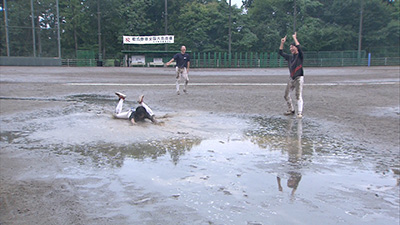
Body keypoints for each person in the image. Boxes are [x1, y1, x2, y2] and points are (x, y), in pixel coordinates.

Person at [279, 32, 304, 119]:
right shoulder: (290, 57)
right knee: (286, 95)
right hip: (291, 78)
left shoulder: (300, 56)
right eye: (290, 47)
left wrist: (294, 38)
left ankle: (299, 113)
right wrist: (282, 43)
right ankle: (291, 110)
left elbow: (300, 48)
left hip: (298, 78)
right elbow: (281, 53)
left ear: (296, 48)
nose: (291, 49)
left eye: (292, 47)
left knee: (298, 95)